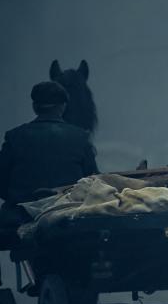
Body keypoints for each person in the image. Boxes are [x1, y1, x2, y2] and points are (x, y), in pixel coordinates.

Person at [0, 81, 99, 217]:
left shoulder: (14, 137)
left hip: (19, 215)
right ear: (63, 106)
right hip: (66, 216)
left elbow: (2, 182)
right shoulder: (80, 137)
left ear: (35, 106)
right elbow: (92, 180)